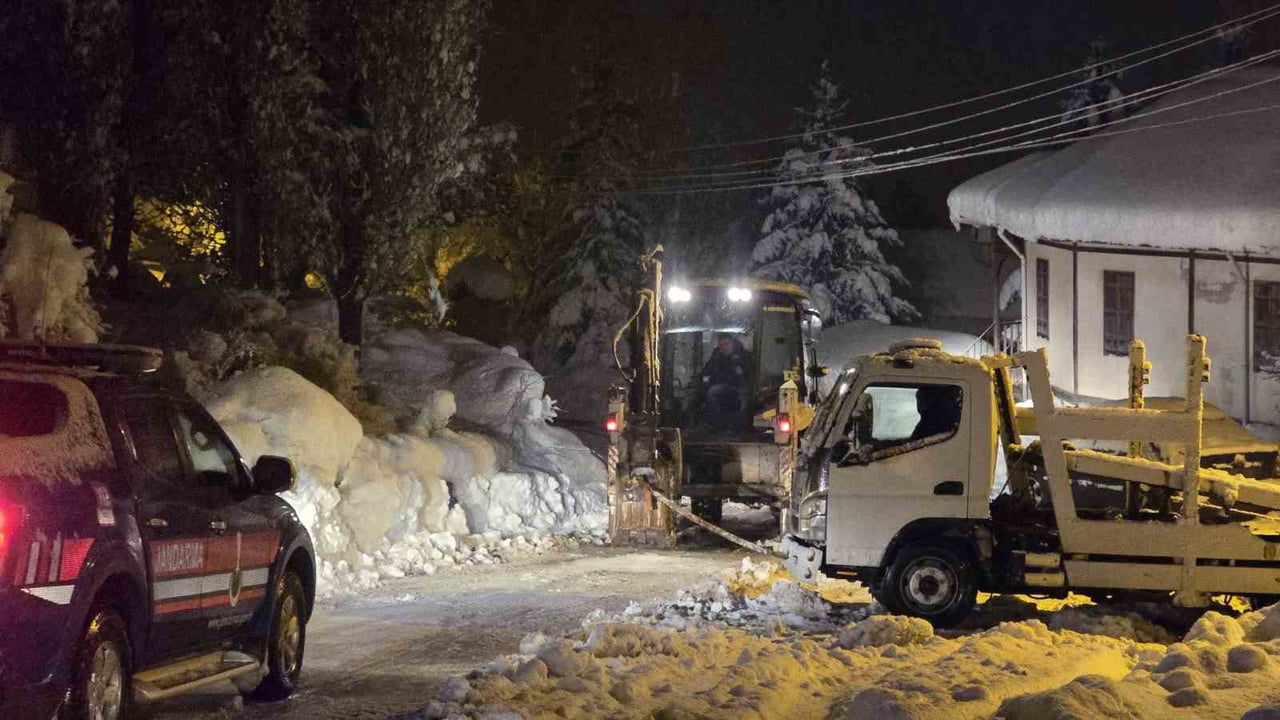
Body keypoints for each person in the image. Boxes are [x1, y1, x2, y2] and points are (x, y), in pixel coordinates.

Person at [702, 334, 749, 430]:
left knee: (713, 392)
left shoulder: (742, 355)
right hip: (719, 385)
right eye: (721, 345)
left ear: (732, 343)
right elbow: (707, 370)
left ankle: (722, 424)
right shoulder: (716, 355)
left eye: (727, 344)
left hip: (738, 388)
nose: (724, 347)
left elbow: (747, 374)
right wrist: (706, 381)